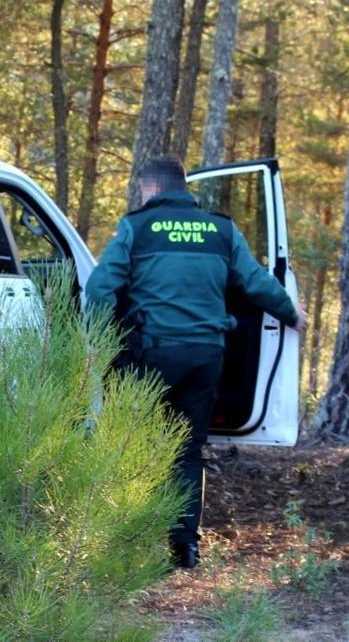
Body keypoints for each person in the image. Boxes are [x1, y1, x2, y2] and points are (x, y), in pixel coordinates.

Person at [85, 156, 304, 569]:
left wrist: (95, 343)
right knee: (187, 451)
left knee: (132, 443)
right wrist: (291, 314)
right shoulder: (221, 229)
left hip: (150, 354)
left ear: (148, 189)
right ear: (184, 187)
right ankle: (184, 546)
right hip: (206, 356)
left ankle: (126, 540)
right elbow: (256, 283)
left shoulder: (136, 227)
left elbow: (100, 289)